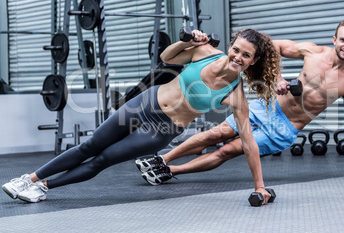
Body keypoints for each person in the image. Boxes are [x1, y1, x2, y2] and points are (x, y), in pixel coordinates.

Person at [2, 29, 280, 205]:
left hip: (162, 129)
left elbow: (249, 142)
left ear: (253, 61)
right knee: (90, 146)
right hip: (146, 103)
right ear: (230, 46)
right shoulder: (204, 52)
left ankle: (43, 187)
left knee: (103, 160)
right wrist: (186, 41)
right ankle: (30, 178)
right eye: (236, 50)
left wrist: (259, 186)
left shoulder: (235, 93)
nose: (238, 57)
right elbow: (166, 56)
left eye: (246, 55)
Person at [136, 20, 344, 186]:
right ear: (335, 39)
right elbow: (271, 46)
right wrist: (278, 78)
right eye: (343, 39)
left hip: (285, 128)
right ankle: (162, 159)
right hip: (267, 107)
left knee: (229, 150)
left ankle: (170, 171)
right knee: (214, 134)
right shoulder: (312, 52)